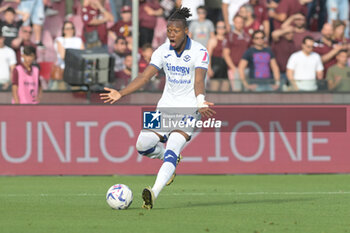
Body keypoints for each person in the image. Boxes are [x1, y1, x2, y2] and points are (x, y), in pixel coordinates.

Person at [100, 7, 215, 209]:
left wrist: (200, 101)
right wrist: (121, 93)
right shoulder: (162, 51)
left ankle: (153, 192)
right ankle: (171, 161)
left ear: (185, 31)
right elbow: (145, 77)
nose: (171, 34)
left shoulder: (199, 51)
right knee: (142, 145)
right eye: (168, 30)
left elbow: (199, 80)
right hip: (163, 108)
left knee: (172, 147)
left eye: (175, 30)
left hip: (188, 110)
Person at [222, 15, 250, 91]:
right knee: (237, 91)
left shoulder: (247, 36)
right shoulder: (229, 36)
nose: (239, 24)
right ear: (233, 23)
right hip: (234, 68)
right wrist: (233, 68)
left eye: (241, 22)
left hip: (246, 68)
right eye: (237, 22)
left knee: (247, 90)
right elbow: (226, 54)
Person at [207, 20, 229, 91]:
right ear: (216, 29)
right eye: (219, 27)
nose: (221, 29)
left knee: (225, 90)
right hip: (216, 65)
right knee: (214, 89)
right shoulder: (213, 40)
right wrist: (209, 69)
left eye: (223, 27)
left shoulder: (227, 40)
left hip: (225, 67)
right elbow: (208, 55)